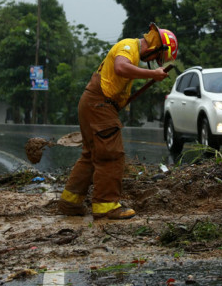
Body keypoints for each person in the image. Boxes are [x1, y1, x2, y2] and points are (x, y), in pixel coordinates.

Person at [58, 23, 178, 220]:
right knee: (111, 155)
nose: (156, 62)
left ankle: (70, 202)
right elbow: (121, 67)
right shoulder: (128, 47)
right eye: (157, 57)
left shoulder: (131, 51)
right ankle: (106, 206)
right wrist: (153, 74)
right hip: (99, 105)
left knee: (90, 155)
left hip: (93, 103)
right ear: (156, 47)